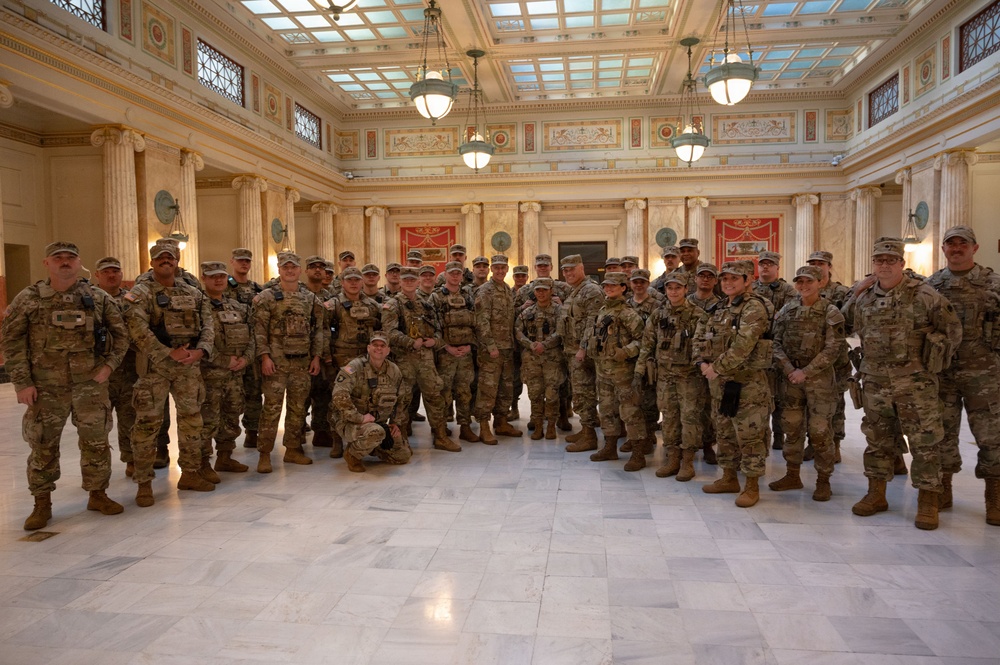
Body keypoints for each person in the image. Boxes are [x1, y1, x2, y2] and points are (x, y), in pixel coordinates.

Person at [2, 241, 129, 530]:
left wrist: (108, 366)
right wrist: (22, 383)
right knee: (43, 444)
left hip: (89, 386)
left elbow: (121, 336)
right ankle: (41, 503)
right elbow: (11, 341)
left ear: (79, 262)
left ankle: (97, 494)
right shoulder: (29, 298)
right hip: (46, 388)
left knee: (96, 442)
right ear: (46, 264)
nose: (65, 262)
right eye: (57, 258)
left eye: (70, 257)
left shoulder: (97, 298)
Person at [843, 239, 962, 530]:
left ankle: (928, 501)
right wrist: (854, 292)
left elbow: (952, 330)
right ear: (873, 265)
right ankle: (876, 494)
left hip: (915, 383)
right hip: (875, 383)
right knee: (878, 439)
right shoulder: (864, 298)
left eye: (890, 260)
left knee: (924, 442)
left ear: (901, 264)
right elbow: (842, 324)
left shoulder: (924, 295)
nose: (884, 264)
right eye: (879, 260)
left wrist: (934, 359)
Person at [126, 239, 216, 505]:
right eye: (160, 258)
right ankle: (144, 483)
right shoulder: (140, 293)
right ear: (152, 262)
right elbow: (137, 330)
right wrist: (167, 352)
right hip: (156, 368)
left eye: (171, 258)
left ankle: (189, 473)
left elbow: (208, 323)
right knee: (147, 425)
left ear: (177, 262)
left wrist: (201, 351)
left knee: (192, 421)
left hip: (189, 367)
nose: (166, 262)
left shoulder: (192, 292)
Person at [926, 226, 1000, 525]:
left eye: (963, 244)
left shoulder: (993, 283)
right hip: (943, 370)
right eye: (951, 244)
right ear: (943, 249)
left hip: (985, 372)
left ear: (975, 247)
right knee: (942, 432)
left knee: (992, 435)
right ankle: (943, 488)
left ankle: (994, 494)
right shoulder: (932, 285)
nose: (956, 248)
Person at [695, 260, 773, 508]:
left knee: (750, 436)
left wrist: (714, 368)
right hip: (720, 384)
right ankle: (729, 478)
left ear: (747, 280)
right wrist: (701, 363)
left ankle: (751, 486)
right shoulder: (718, 308)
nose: (728, 283)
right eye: (725, 279)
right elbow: (699, 337)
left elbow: (743, 346)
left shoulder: (753, 308)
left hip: (746, 384)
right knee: (725, 432)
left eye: (734, 279)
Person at [769, 266, 845, 501]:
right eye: (799, 282)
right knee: (792, 428)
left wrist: (807, 371)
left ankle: (823, 481)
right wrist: (790, 369)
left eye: (809, 281)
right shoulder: (787, 310)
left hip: (819, 382)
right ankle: (793, 474)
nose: (803, 286)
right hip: (791, 380)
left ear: (821, 282)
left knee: (820, 431)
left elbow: (833, 348)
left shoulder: (830, 312)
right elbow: (776, 343)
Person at [252, 251, 326, 473]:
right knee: (271, 409)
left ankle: (293, 449)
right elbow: (259, 331)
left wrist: (317, 357)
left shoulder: (310, 299)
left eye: (293, 267)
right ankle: (264, 454)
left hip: (302, 364)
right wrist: (264, 357)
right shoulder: (266, 297)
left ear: (300, 270)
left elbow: (318, 330)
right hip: (275, 364)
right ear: (280, 269)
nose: (290, 270)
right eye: (286, 267)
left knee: (297, 409)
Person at [381, 267, 461, 451]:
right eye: (405, 279)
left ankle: (440, 436)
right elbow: (389, 333)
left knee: (435, 397)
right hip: (404, 361)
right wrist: (410, 342)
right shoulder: (392, 305)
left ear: (418, 282)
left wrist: (435, 340)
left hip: (426, 361)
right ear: (400, 282)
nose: (409, 282)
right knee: (403, 401)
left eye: (412, 279)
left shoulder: (426, 305)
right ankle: (401, 442)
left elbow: (439, 328)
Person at [636, 272, 707, 481]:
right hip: (665, 376)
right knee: (669, 418)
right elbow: (647, 344)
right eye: (670, 288)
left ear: (686, 289)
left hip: (689, 377)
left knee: (690, 418)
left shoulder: (698, 315)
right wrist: (640, 370)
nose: (673, 292)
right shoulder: (658, 314)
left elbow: (704, 346)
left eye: (678, 288)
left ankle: (687, 461)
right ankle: (672, 458)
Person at [584, 272, 647, 471]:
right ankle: (610, 447)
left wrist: (626, 351)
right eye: (606, 286)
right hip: (603, 370)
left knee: (630, 412)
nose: (609, 289)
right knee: (607, 410)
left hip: (623, 372)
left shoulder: (628, 313)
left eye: (613, 286)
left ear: (623, 288)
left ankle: (638, 454)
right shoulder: (603, 310)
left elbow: (643, 341)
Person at [198, 261, 254, 476]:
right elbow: (198, 339)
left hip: (235, 375)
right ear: (204, 278)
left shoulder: (237, 307)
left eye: (222, 276)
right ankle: (203, 463)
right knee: (207, 419)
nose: (219, 280)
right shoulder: (198, 305)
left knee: (231, 417)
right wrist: (223, 360)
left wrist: (246, 359)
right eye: (213, 276)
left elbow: (252, 336)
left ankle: (225, 457)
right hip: (209, 375)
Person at [323, 266, 383, 457]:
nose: (354, 283)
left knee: (366, 398)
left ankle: (364, 438)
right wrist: (326, 356)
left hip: (366, 361)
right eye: (350, 280)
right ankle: (336, 440)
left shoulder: (373, 305)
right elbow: (323, 332)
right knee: (338, 401)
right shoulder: (333, 305)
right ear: (342, 283)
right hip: (341, 360)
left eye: (357, 280)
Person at [332, 331, 409, 472]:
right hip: (351, 421)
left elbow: (401, 399)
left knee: (402, 455)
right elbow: (339, 395)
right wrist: (360, 418)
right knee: (375, 432)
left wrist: (394, 423)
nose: (378, 348)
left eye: (382, 345)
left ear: (388, 350)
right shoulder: (354, 367)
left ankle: (372, 447)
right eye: (375, 345)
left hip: (378, 423)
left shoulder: (394, 371)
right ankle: (352, 455)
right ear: (368, 348)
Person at [805, 250, 853, 463]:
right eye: (813, 262)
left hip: (836, 359)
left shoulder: (841, 292)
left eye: (821, 263)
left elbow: (849, 323)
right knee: (810, 404)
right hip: (809, 358)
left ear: (829, 266)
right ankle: (812, 442)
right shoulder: (805, 289)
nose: (817, 266)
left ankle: (835, 444)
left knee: (835, 404)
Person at [94, 256, 139, 477]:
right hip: (99, 373)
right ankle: (98, 467)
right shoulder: (89, 299)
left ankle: (131, 459)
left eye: (115, 271)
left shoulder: (131, 299)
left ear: (121, 275)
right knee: (98, 423)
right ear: (97, 275)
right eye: (106, 271)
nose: (111, 275)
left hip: (128, 370)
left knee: (130, 419)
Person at [473, 255, 523, 443]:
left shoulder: (507, 290)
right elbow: (481, 321)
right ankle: (484, 426)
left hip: (508, 348)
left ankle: (501, 421)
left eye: (504, 268)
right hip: (491, 350)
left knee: (505, 388)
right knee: (487, 389)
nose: (501, 271)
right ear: (492, 269)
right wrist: (490, 345)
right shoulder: (485, 291)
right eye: (497, 268)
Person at [559, 254, 605, 452]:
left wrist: (583, 348)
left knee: (584, 393)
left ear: (582, 268)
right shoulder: (575, 291)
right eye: (565, 270)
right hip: (572, 351)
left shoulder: (591, 291)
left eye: (572, 269)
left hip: (583, 353)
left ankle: (590, 437)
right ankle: (586, 430)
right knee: (579, 392)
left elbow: (593, 323)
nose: (568, 273)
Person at [751, 250, 796, 451]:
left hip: (779, 349)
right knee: (759, 396)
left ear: (777, 267)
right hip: (755, 349)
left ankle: (779, 434)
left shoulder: (787, 290)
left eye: (770, 264)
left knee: (780, 395)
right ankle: (760, 436)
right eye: (762, 264)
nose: (765, 267)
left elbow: (791, 314)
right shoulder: (750, 288)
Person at [431, 261, 479, 443]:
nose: (455, 276)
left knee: (464, 391)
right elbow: (432, 326)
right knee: (443, 392)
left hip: (465, 353)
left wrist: (470, 345)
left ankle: (465, 426)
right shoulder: (435, 297)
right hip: (445, 354)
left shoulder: (468, 295)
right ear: (445, 274)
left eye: (458, 273)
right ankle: (440, 428)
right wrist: (446, 347)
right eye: (452, 273)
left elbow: (476, 323)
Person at [515, 277, 564, 439]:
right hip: (532, 359)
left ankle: (551, 425)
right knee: (535, 394)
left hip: (552, 359)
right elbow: (517, 331)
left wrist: (546, 344)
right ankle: (537, 426)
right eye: (538, 290)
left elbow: (561, 332)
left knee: (552, 394)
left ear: (551, 291)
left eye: (544, 290)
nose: (541, 293)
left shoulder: (559, 311)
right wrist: (530, 344)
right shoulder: (527, 312)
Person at [226, 248, 264, 449]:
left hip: (253, 349)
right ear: (232, 261)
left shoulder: (258, 290)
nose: (244, 264)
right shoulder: (224, 288)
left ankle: (252, 431)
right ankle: (225, 440)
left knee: (254, 391)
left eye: (247, 261)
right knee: (228, 395)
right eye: (240, 261)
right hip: (230, 349)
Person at [625, 268, 662, 455]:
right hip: (628, 360)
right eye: (635, 282)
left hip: (649, 359)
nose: (638, 285)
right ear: (630, 284)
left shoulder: (657, 305)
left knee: (649, 400)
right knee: (632, 400)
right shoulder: (625, 305)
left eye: (642, 282)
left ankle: (648, 436)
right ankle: (634, 437)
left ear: (648, 284)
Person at [688, 262, 721, 465]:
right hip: (686, 363)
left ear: (715, 281)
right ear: (695, 279)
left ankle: (708, 445)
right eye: (702, 276)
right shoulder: (685, 302)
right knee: (689, 407)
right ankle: (688, 447)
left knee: (709, 407)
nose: (705, 279)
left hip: (710, 364)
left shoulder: (721, 305)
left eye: (710, 276)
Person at [303, 255, 336, 449]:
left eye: (321, 268)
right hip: (303, 353)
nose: (317, 270)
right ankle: (297, 430)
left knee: (324, 392)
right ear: (306, 271)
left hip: (326, 353)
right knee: (302, 395)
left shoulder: (330, 297)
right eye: (312, 267)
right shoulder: (299, 294)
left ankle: (321, 431)